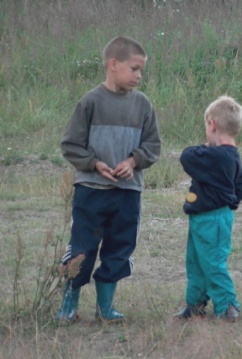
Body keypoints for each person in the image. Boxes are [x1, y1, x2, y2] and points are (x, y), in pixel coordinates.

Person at [56, 36, 161, 323]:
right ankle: (69, 306)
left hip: (128, 192)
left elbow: (153, 146)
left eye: (141, 70)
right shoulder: (90, 101)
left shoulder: (143, 104)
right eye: (134, 68)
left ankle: (105, 308)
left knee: (120, 248)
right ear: (113, 65)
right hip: (91, 191)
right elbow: (71, 144)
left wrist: (132, 161)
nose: (139, 76)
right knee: (82, 248)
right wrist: (95, 164)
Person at [176, 95, 242, 322]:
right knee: (196, 261)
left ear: (212, 124)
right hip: (208, 218)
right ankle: (195, 304)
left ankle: (227, 307)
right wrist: (231, 201)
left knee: (212, 263)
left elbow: (187, 156)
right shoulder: (232, 156)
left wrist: (205, 145)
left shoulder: (215, 155)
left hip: (211, 221)